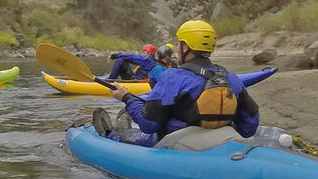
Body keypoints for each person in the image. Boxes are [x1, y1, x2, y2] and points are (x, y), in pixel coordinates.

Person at [92, 20, 259, 147]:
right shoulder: (232, 78)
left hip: (177, 144)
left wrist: (126, 98)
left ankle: (108, 135)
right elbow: (249, 127)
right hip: (221, 142)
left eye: (180, 44)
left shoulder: (172, 77)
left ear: (185, 47)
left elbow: (148, 124)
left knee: (129, 137)